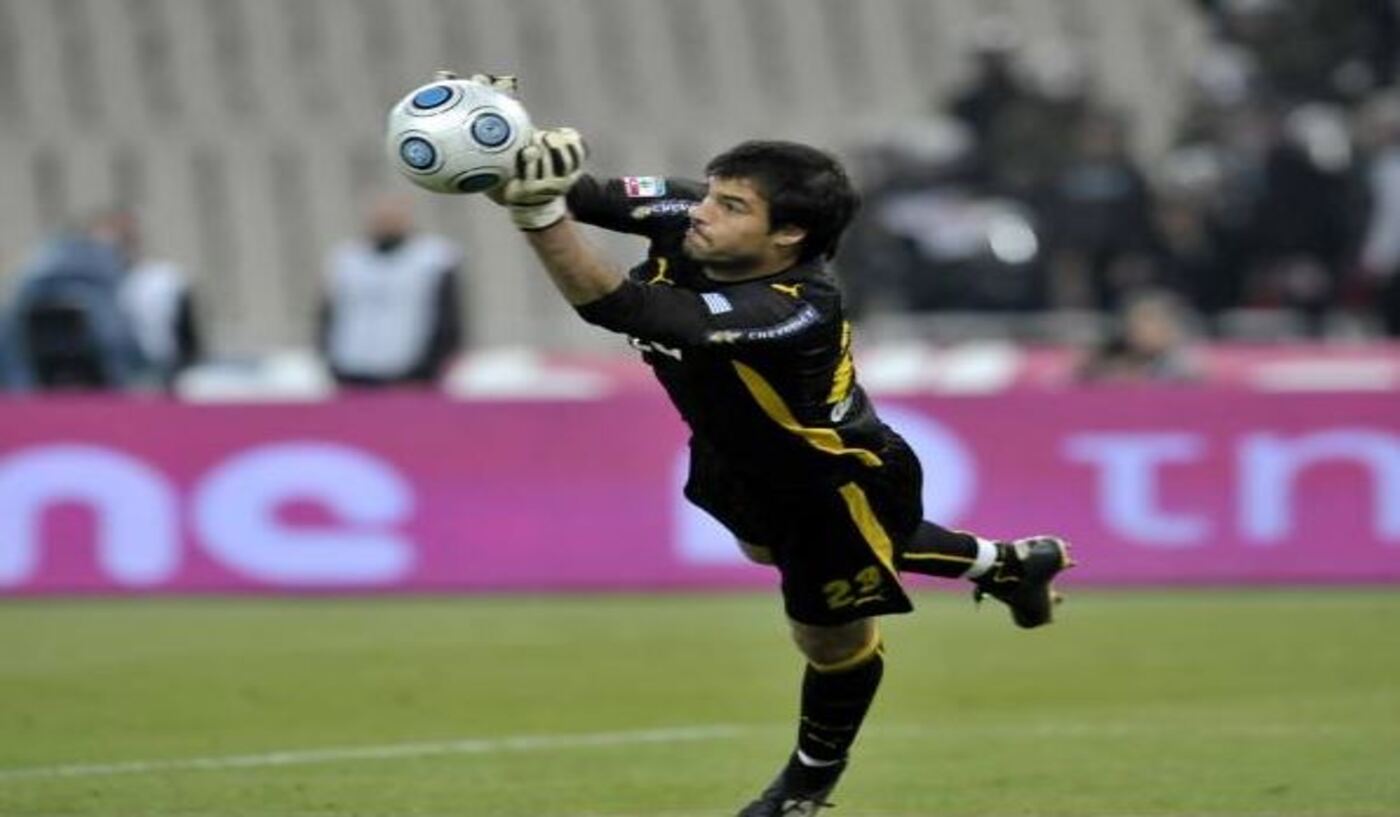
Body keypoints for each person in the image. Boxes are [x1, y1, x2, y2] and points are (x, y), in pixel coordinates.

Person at [476, 76, 1074, 816]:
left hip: (832, 484)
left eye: (731, 206)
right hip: (734, 458)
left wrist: (537, 214)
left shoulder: (791, 310)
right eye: (712, 193)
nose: (702, 210)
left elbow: (620, 306)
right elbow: (585, 193)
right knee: (769, 551)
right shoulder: (698, 216)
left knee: (828, 641)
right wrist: (503, 144)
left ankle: (806, 786)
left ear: (787, 235)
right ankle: (1011, 564)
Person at [318, 192, 465, 387]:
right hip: (352, 366)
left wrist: (437, 361)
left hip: (413, 368)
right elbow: (329, 313)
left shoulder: (435, 257)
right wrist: (328, 359)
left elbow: (449, 313)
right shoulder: (347, 258)